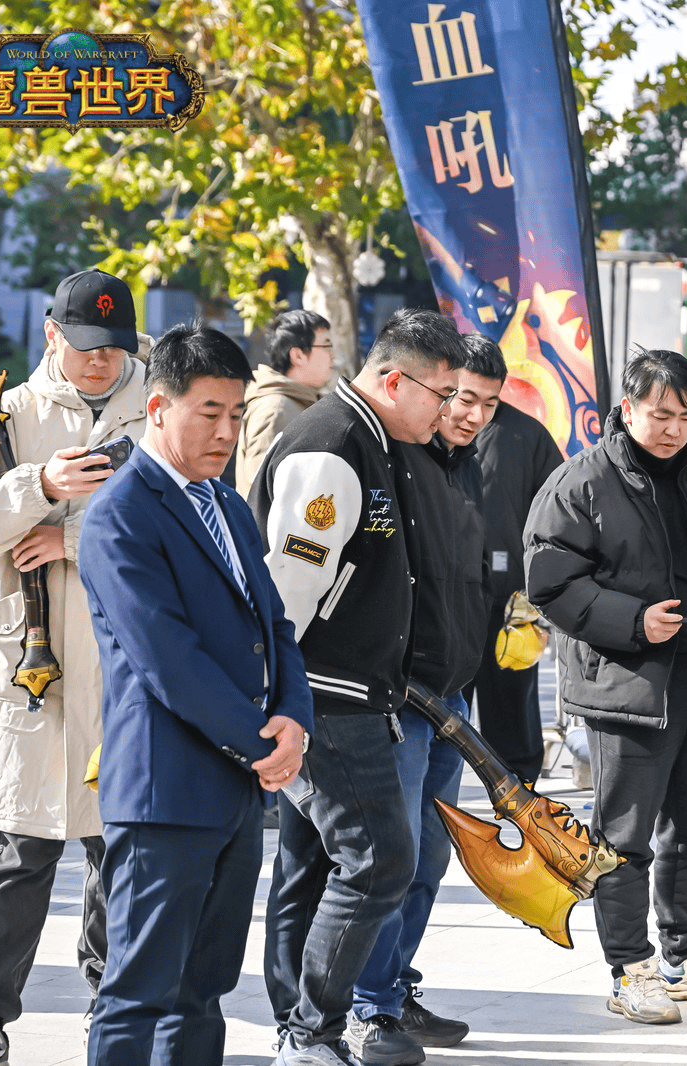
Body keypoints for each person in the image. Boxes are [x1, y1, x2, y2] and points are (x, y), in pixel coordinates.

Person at [525, 349, 687, 1024]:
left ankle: (684, 955)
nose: (672, 427)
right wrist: (632, 621)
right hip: (627, 685)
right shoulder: (582, 480)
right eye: (659, 413)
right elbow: (549, 582)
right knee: (625, 839)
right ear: (628, 409)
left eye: (684, 414)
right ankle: (629, 968)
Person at [78, 325, 312, 1065]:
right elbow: (167, 659)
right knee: (138, 991)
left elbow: (275, 624)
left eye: (236, 414)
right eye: (209, 412)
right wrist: (262, 744)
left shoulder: (229, 505)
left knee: (204, 989)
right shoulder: (120, 515)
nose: (226, 431)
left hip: (236, 788)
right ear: (157, 406)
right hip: (163, 794)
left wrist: (294, 722)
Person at [0, 269, 147, 1066]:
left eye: (114, 348)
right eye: (86, 347)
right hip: (31, 664)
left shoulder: (163, 409)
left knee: (117, 850)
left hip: (125, 659)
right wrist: (40, 485)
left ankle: (112, 1008)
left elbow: (194, 516)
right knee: (18, 855)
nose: (100, 363)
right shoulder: (10, 415)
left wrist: (76, 537)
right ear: (54, 334)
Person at [252, 308, 464, 1066]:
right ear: (393, 380)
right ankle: (310, 1032)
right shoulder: (333, 450)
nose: (449, 412)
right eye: (441, 395)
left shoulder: (381, 443)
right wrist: (282, 706)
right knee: (378, 862)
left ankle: (302, 1028)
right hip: (324, 699)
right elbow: (285, 599)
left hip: (358, 695)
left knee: (320, 868)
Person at [347, 335, 504, 1064]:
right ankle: (364, 1007)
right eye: (459, 396)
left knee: (429, 859)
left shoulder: (460, 469)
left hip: (451, 699)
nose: (467, 413)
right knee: (391, 857)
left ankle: (394, 989)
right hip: (395, 701)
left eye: (485, 404)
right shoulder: (388, 460)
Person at [461, 389, 563, 785]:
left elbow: (559, 514)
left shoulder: (526, 434)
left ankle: (520, 793)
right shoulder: (432, 428)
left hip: (513, 597)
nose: (479, 411)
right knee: (443, 712)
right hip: (450, 597)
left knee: (513, 699)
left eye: (490, 399)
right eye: (470, 396)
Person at [236, 309, 334, 497]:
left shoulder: (299, 403)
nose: (332, 357)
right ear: (297, 355)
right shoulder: (276, 410)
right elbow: (260, 496)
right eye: (326, 348)